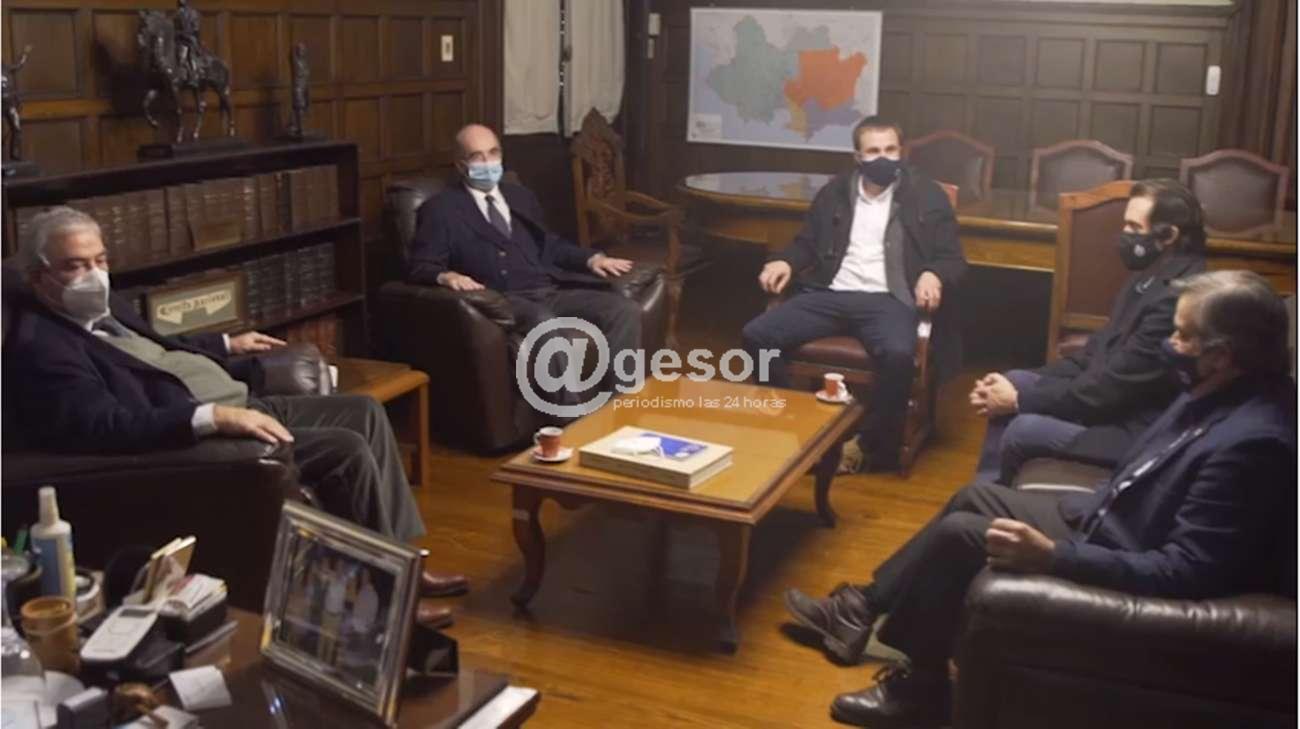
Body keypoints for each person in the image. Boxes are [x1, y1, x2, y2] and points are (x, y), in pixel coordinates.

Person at [782, 269, 1295, 728]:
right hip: (1109, 517)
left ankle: (921, 689)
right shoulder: (1215, 390)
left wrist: (1054, 556)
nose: (1171, 344)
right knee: (975, 497)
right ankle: (859, 608)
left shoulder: (1255, 441)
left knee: (962, 535)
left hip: (1124, 548)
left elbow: (1187, 571)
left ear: (1221, 355)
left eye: (1182, 335)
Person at [2, 207, 463, 625]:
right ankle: (384, 600)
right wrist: (211, 418)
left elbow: (161, 347)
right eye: (75, 266)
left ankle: (404, 562)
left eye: (100, 260)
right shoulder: (43, 348)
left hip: (240, 399)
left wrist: (226, 344)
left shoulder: (105, 305)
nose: (94, 276)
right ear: (39, 278)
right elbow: (104, 426)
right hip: (204, 429)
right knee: (346, 448)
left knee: (364, 411)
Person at [741, 116, 967, 473]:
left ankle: (866, 444)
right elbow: (807, 243)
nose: (883, 158)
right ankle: (793, 424)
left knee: (898, 354)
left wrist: (932, 273)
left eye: (891, 150)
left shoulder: (925, 194)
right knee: (758, 335)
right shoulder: (835, 191)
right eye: (873, 151)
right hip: (830, 292)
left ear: (902, 152)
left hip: (888, 299)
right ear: (857, 157)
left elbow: (952, 258)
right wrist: (784, 261)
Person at [971, 179, 1206, 484]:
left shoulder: (1177, 300)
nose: (1125, 235)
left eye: (1134, 228)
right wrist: (1016, 384)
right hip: (1107, 401)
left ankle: (991, 493)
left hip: (1130, 428)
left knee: (1022, 428)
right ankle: (986, 492)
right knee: (1014, 378)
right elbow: (1094, 353)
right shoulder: (1146, 277)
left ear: (1169, 235)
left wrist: (1019, 400)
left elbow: (1110, 387)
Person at [405, 123, 642, 410]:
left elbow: (550, 245)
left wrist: (592, 259)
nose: (488, 162)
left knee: (622, 309)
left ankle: (621, 407)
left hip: (549, 289)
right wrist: (446, 276)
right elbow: (420, 265)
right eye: (478, 156)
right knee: (544, 321)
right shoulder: (441, 209)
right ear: (460, 164)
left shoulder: (519, 196)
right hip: (505, 298)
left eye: (493, 153)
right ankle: (571, 418)